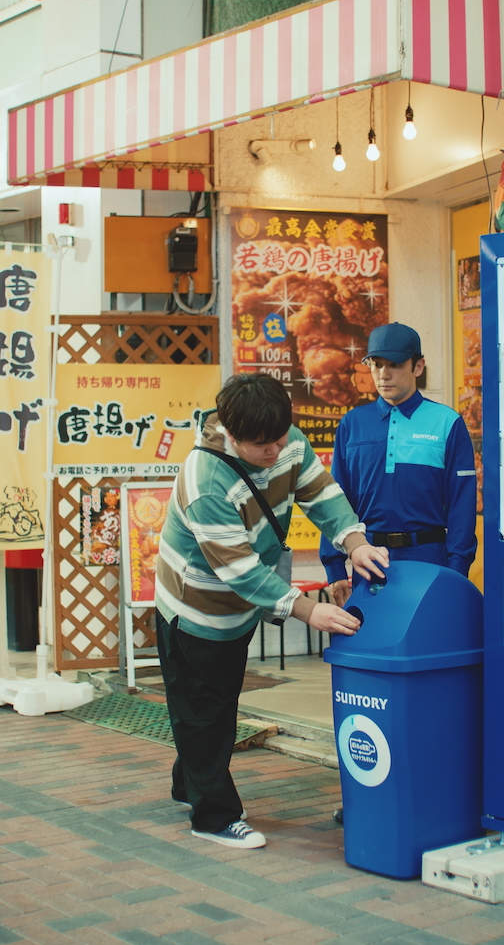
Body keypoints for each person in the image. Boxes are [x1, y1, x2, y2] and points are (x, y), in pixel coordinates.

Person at [155, 373, 389, 851]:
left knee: (216, 701)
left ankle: (191, 782)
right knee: (202, 709)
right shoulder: (205, 481)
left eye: (281, 437)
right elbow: (239, 569)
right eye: (262, 445)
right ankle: (214, 815)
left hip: (239, 610)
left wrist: (354, 541)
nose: (276, 450)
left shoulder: (282, 437)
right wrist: (307, 610)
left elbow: (321, 494)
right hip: (194, 608)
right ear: (232, 432)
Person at [319, 323, 477, 824]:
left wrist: (454, 573)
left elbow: (461, 507)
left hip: (430, 564)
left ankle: (430, 783)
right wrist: (333, 566)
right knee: (367, 677)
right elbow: (332, 502)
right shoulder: (353, 424)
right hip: (367, 571)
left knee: (428, 677)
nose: (383, 374)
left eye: (393, 364)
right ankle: (370, 787)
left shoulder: (447, 424)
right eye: (375, 364)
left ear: (418, 366)